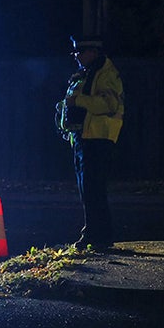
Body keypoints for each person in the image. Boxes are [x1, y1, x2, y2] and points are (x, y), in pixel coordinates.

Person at [56, 34, 124, 250]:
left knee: (94, 189)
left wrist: (78, 101)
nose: (76, 56)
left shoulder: (105, 74)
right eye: (75, 52)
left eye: (80, 52)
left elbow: (109, 104)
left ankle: (99, 236)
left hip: (98, 138)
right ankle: (94, 233)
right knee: (87, 189)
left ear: (93, 52)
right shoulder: (85, 74)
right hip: (82, 138)